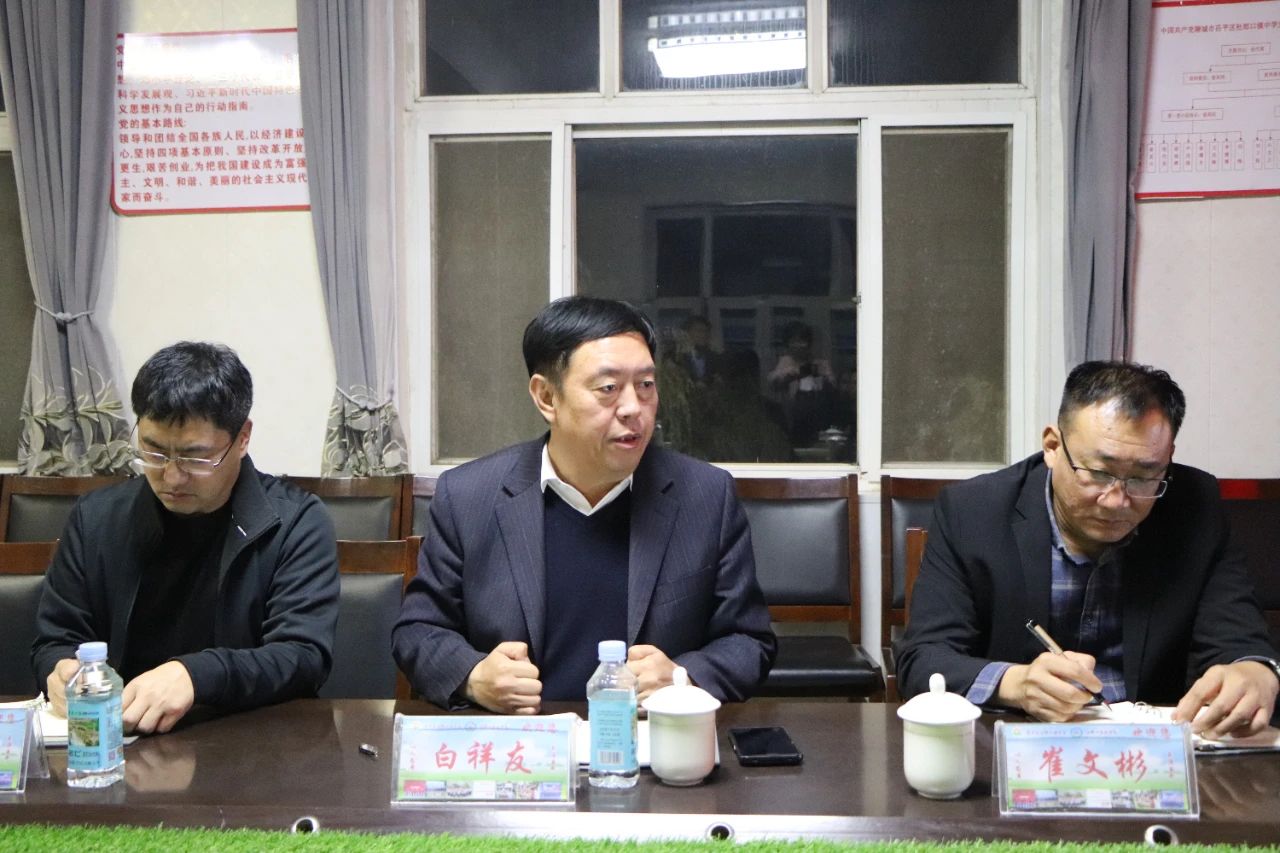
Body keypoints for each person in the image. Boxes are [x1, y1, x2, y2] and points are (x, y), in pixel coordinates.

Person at [393, 296, 777, 713]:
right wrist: (473, 676)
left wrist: (681, 678)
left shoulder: (704, 496)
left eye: (646, 385)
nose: (633, 408)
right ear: (546, 397)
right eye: (608, 389)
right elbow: (418, 630)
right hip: (526, 742)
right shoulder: (469, 496)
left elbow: (748, 641)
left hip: (648, 740)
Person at [896, 361, 1280, 740]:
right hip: (1021, 748)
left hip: (1154, 752)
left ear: (1167, 459)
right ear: (1052, 446)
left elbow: (1238, 637)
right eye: (1098, 473)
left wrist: (1255, 671)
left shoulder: (1196, 508)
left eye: (1144, 477)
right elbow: (924, 659)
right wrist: (1017, 683)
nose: (1116, 500)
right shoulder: (973, 511)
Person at [32, 342, 340, 735]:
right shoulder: (96, 519)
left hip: (248, 742)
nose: (172, 477)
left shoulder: (294, 522)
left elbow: (303, 656)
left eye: (195, 458)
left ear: (242, 438)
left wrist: (197, 675)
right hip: (119, 742)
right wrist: (61, 671)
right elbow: (55, 641)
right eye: (154, 452)